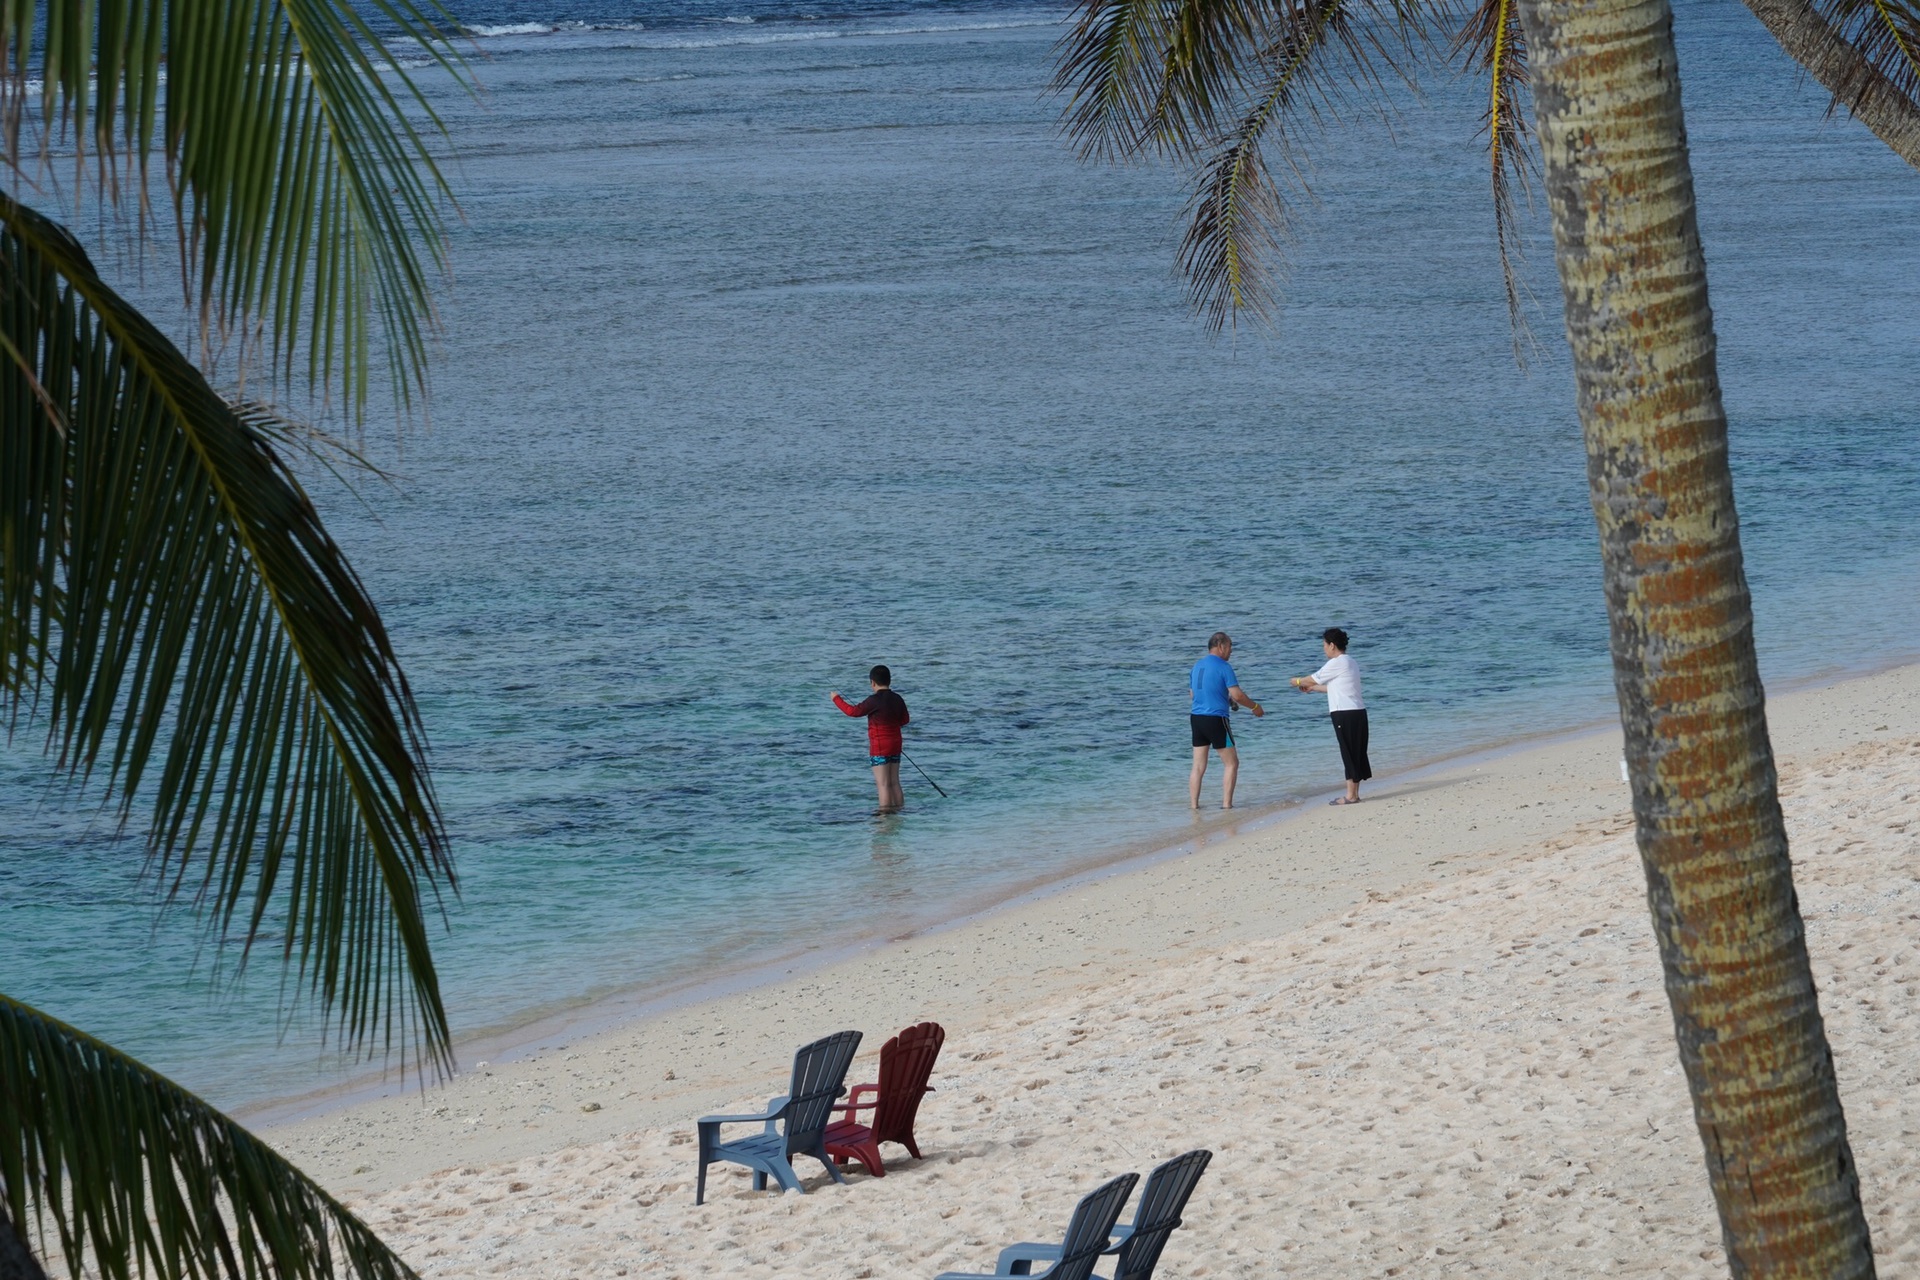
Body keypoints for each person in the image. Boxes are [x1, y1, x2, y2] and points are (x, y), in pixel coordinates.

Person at [1292, 627, 1370, 805]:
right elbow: (1332, 688)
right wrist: (1312, 688)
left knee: (1348, 752)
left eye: (1324, 645)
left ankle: (1350, 796)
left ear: (1332, 645)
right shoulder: (1351, 662)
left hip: (1344, 713)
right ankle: (1354, 794)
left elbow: (1313, 677)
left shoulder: (1336, 663)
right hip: (1357, 711)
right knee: (1356, 752)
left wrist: (1296, 681)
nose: (1324, 649)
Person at [1189, 631, 1264, 810]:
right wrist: (1255, 707)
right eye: (1230, 647)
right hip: (1216, 719)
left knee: (1198, 765)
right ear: (1221, 646)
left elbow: (1193, 694)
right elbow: (1237, 695)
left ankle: (1194, 806)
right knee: (1232, 763)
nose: (1231, 651)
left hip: (1197, 719)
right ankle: (1227, 805)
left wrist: (1225, 699)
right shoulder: (1224, 666)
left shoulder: (1197, 666)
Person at [832, 665, 910, 811]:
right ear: (889, 680)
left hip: (880, 747)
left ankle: (886, 817)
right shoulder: (898, 698)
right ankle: (900, 812)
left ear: (872, 683)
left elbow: (853, 712)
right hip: (896, 744)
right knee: (895, 782)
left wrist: (836, 698)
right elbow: (905, 720)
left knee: (883, 784)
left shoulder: (873, 700)